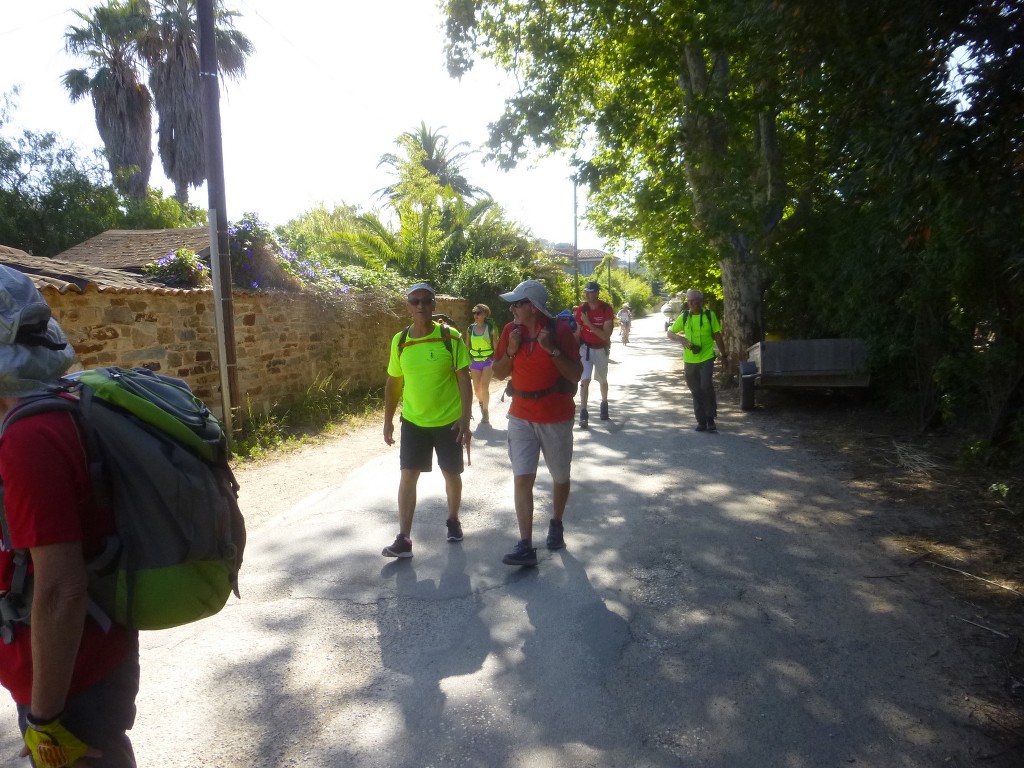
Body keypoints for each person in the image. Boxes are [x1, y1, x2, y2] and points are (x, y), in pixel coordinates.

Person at [0, 265, 141, 767]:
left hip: (68, 679)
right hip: (97, 653)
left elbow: (61, 587)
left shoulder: (27, 438)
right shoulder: (68, 403)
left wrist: (44, 717)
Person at [491, 280, 582, 566]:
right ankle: (526, 545)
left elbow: (576, 375)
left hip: (555, 416)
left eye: (517, 303)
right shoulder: (510, 332)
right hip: (520, 415)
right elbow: (498, 373)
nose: (512, 308)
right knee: (522, 477)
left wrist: (551, 349)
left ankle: (556, 522)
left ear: (532, 307)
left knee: (560, 476)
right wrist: (511, 350)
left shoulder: (560, 331)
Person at [382, 282, 473, 558]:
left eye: (426, 300)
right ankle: (404, 538)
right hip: (413, 422)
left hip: (448, 421)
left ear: (434, 305)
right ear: (408, 306)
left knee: (452, 474)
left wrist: (466, 419)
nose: (420, 305)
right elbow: (394, 381)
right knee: (408, 475)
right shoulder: (400, 341)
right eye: (415, 301)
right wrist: (387, 420)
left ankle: (453, 519)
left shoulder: (451, 337)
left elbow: (464, 380)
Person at [666, 289, 728, 432]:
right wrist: (680, 338)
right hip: (689, 359)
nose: (691, 303)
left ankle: (710, 418)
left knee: (706, 385)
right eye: (689, 301)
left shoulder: (709, 315)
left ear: (701, 301)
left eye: (694, 300)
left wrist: (724, 356)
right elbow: (670, 332)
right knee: (695, 389)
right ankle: (701, 421)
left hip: (706, 357)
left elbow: (717, 336)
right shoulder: (685, 316)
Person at [573, 281, 615, 427]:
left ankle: (604, 404)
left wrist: (588, 323)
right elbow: (577, 332)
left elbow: (605, 335)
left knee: (602, 380)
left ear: (597, 293)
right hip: (586, 348)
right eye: (586, 291)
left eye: (590, 292)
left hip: (601, 348)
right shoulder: (581, 309)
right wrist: (572, 348)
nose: (586, 294)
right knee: (584, 380)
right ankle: (583, 412)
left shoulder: (606, 309)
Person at [465, 303, 498, 424]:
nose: (475, 315)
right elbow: (467, 346)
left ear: (485, 314)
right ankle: (481, 402)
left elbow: (496, 346)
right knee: (477, 389)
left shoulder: (491, 328)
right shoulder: (470, 328)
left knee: (484, 387)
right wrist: (466, 360)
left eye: (478, 313)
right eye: (474, 313)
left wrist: (497, 361)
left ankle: (485, 412)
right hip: (475, 362)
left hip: (488, 361)